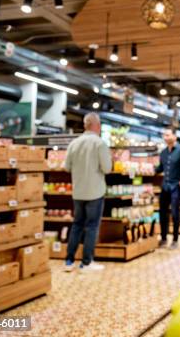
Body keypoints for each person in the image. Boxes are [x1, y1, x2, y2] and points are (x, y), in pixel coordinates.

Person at [64, 112, 112, 272]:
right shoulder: (100, 144)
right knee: (92, 226)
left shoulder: (74, 143)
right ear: (97, 126)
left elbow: (67, 167)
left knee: (77, 225)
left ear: (85, 125)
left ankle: (69, 261)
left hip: (78, 192)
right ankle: (86, 262)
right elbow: (107, 168)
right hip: (95, 192)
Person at [156, 128, 180, 248]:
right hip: (165, 186)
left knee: (175, 213)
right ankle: (163, 238)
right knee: (162, 212)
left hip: (176, 186)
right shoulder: (163, 152)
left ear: (175, 136)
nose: (165, 137)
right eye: (164, 135)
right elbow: (160, 168)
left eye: (167, 135)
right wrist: (148, 169)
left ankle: (175, 240)